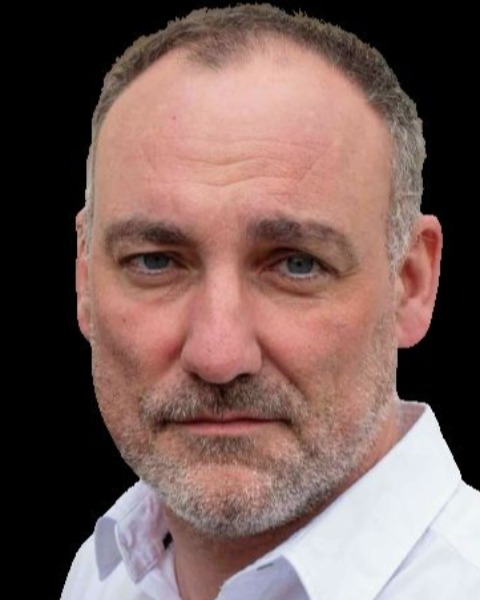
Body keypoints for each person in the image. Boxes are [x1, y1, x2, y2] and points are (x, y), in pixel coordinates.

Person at [61, 4, 480, 599]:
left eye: (296, 264)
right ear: (84, 278)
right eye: (155, 261)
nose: (218, 355)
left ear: (411, 283)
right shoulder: (104, 575)